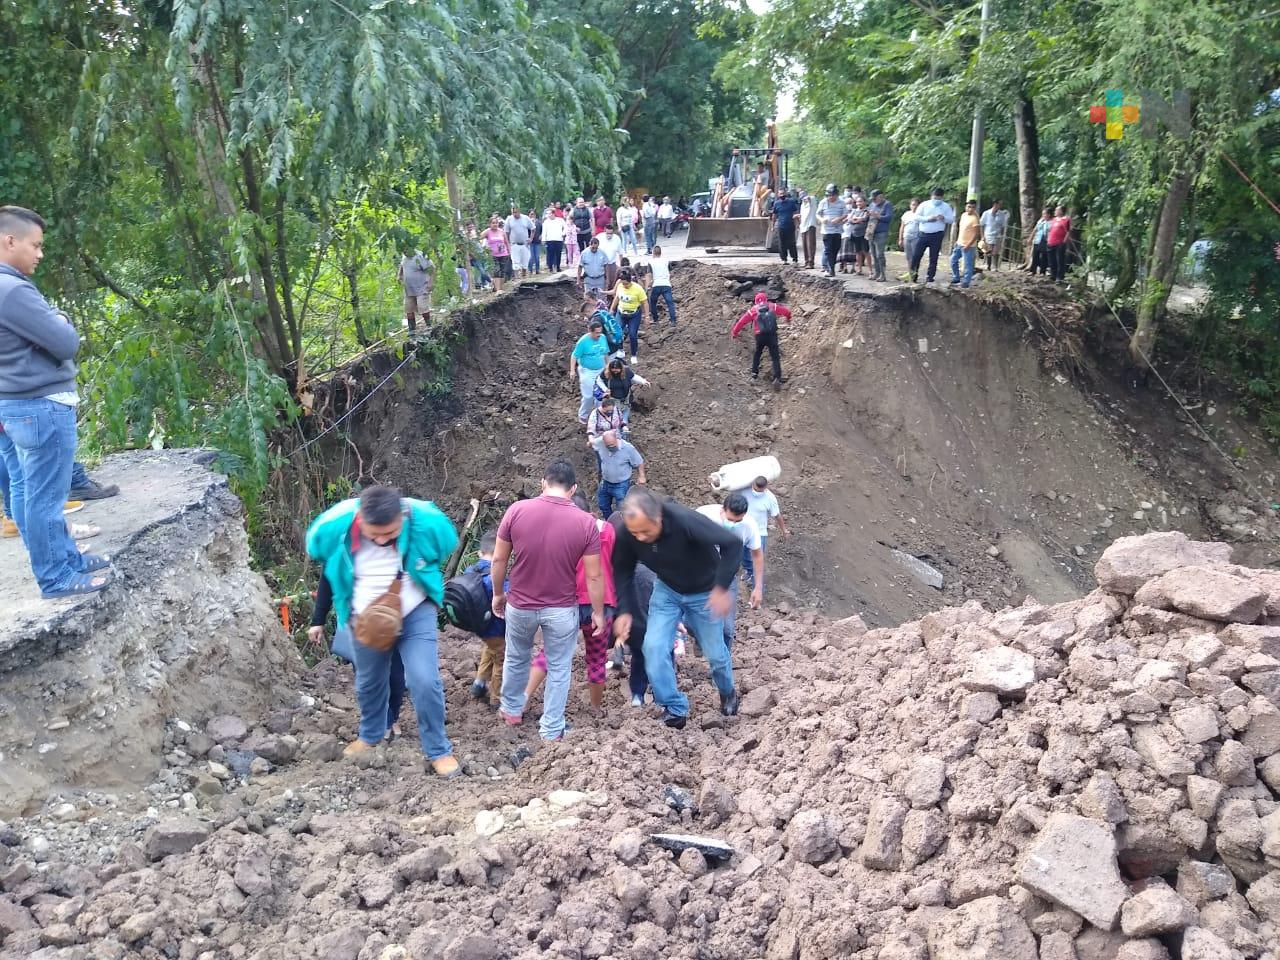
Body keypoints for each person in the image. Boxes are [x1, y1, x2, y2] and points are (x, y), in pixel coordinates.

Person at [305, 484, 461, 777]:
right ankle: (370, 735)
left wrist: (421, 564)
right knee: (369, 682)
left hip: (415, 612)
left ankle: (438, 750)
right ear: (360, 520)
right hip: (364, 618)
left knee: (424, 680)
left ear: (401, 518)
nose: (381, 539)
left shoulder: (422, 524)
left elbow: (445, 544)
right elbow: (319, 555)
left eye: (390, 534)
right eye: (374, 534)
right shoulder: (338, 530)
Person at [0, 206, 111, 598]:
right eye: (35, 245)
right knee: (45, 497)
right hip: (40, 406)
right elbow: (65, 342)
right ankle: (56, 577)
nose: (40, 254)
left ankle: (67, 561)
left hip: (18, 405)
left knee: (29, 490)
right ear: (9, 240)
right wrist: (60, 318)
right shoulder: (12, 290)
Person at [489, 459, 605, 742]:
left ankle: (512, 710)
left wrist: (497, 593)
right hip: (561, 608)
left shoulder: (517, 510)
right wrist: (599, 612)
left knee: (516, 657)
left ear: (543, 482)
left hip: (520, 604)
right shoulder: (586, 522)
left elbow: (499, 558)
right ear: (573, 488)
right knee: (558, 667)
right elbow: (593, 577)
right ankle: (551, 729)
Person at [611, 488, 743, 728]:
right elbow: (622, 570)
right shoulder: (628, 532)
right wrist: (625, 610)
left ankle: (728, 692)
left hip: (704, 592)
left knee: (715, 654)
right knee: (653, 648)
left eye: (645, 531)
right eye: (634, 532)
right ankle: (674, 708)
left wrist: (722, 587)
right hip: (667, 591)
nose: (639, 538)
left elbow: (733, 544)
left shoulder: (685, 521)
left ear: (658, 517)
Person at [309, 569, 408, 738]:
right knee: (369, 675)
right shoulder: (342, 545)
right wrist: (318, 620)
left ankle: (392, 716)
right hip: (357, 617)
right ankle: (385, 720)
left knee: (397, 677)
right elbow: (329, 575)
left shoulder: (397, 544)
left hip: (392, 615)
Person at [697, 493, 764, 650]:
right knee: (692, 620)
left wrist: (758, 587)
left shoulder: (749, 526)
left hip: (727, 577)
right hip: (700, 575)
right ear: (723, 510)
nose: (733, 524)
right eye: (730, 519)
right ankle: (700, 640)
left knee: (727, 629)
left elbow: (757, 555)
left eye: (737, 520)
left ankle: (723, 665)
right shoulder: (703, 515)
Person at [464, 531, 507, 706]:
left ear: (480, 553)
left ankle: (479, 683)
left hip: (478, 625)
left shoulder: (470, 570)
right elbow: (507, 596)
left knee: (490, 648)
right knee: (501, 660)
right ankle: (496, 699)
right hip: (496, 626)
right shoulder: (497, 576)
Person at [732, 291, 792, 385]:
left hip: (760, 336)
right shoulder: (772, 306)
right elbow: (786, 312)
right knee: (775, 357)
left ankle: (754, 374)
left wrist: (734, 333)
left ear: (756, 301)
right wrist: (788, 318)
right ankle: (777, 377)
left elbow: (741, 322)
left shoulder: (753, 310)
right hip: (772, 335)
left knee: (757, 354)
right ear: (766, 299)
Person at [742, 475, 788, 586]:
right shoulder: (745, 491)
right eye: (755, 489)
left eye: (759, 491)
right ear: (753, 484)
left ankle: (757, 587)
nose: (756, 492)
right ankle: (749, 571)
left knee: (757, 559)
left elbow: (777, 515)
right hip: (743, 529)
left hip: (759, 532)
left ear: (765, 487)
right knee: (743, 556)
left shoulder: (770, 498)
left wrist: (784, 530)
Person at [592, 429, 646, 517]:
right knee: (603, 505)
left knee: (622, 510)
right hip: (605, 482)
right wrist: (590, 441)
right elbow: (591, 443)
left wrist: (642, 476)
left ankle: (620, 527)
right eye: (608, 446)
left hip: (621, 485)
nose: (610, 447)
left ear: (617, 439)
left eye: (612, 445)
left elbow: (639, 462)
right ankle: (609, 523)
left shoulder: (628, 448)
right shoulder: (600, 443)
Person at [910, 187, 956, 283]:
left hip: (937, 235)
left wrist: (943, 218)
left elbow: (951, 219)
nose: (936, 200)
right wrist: (927, 219)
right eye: (935, 198)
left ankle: (930, 277)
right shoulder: (924, 205)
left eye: (939, 198)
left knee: (933, 257)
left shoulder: (946, 207)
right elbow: (916, 217)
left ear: (942, 198)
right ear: (931, 196)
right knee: (916, 256)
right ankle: (913, 275)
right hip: (923, 234)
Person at [570, 319, 611, 422]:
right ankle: (583, 415)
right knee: (588, 396)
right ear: (590, 331)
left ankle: (599, 416)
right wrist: (572, 370)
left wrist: (608, 366)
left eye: (600, 332)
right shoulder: (583, 342)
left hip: (600, 370)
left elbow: (605, 353)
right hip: (587, 371)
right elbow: (574, 356)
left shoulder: (602, 338)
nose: (599, 335)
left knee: (601, 395)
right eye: (596, 333)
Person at [593, 356, 650, 425]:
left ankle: (623, 432)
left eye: (617, 369)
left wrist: (643, 381)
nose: (615, 371)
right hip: (613, 400)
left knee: (624, 421)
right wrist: (605, 389)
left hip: (626, 400)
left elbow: (634, 377)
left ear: (621, 368)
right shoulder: (606, 372)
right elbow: (599, 380)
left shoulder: (627, 371)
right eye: (613, 369)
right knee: (615, 420)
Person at [609, 268, 648, 365]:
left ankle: (634, 355)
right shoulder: (620, 286)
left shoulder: (638, 289)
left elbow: (645, 302)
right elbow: (617, 298)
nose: (625, 286)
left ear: (630, 281)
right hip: (621, 313)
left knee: (632, 335)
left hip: (634, 314)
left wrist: (647, 316)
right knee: (617, 332)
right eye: (623, 284)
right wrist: (612, 309)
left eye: (626, 284)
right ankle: (620, 350)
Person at [397, 250, 435, 333]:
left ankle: (429, 325)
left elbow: (431, 268)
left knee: (423, 307)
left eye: (406, 250)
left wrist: (430, 283)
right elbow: (402, 265)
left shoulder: (420, 256)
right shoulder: (404, 256)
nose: (405, 252)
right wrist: (399, 275)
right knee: (408, 309)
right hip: (408, 289)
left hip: (421, 287)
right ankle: (412, 330)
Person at [950, 199, 981, 289]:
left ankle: (966, 282)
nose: (970, 209)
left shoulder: (975, 219)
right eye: (969, 206)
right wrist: (957, 240)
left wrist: (969, 244)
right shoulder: (963, 215)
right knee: (953, 260)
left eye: (973, 207)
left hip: (969, 245)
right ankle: (956, 277)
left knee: (968, 264)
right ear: (966, 207)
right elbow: (962, 230)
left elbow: (976, 234)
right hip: (960, 243)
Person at [643, 244, 677, 327]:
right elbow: (671, 272)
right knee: (670, 303)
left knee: (653, 302)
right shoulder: (666, 261)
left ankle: (656, 320)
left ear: (653, 253)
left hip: (656, 285)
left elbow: (649, 275)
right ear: (660, 253)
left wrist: (646, 288)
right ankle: (673, 321)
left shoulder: (651, 262)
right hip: (666, 284)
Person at [817, 184, 846, 277]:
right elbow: (817, 214)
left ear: (836, 195)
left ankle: (831, 267)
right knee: (828, 249)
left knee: (835, 249)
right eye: (829, 195)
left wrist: (839, 219)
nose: (831, 197)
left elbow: (846, 214)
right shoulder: (823, 202)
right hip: (826, 230)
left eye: (832, 195)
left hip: (837, 230)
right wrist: (822, 220)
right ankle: (831, 270)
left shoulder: (841, 202)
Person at [867, 191, 894, 282]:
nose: (873, 201)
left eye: (875, 199)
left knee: (879, 254)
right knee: (873, 253)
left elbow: (889, 218)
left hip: (881, 232)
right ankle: (876, 273)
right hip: (871, 231)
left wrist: (878, 216)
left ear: (880, 197)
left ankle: (883, 274)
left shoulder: (887, 204)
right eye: (872, 199)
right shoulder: (872, 204)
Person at [840, 197, 869, 274]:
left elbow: (864, 218)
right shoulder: (854, 211)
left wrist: (856, 219)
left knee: (866, 252)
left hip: (864, 234)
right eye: (857, 202)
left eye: (860, 201)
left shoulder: (867, 210)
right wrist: (856, 220)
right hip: (855, 234)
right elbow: (849, 220)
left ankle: (871, 271)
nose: (858, 203)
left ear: (865, 202)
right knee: (858, 252)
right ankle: (859, 269)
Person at [504, 205, 534, 278]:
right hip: (514, 244)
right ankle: (517, 277)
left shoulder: (525, 218)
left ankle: (524, 276)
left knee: (525, 262)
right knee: (515, 262)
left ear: (519, 211)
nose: (514, 214)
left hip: (524, 244)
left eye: (516, 212)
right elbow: (506, 232)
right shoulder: (509, 219)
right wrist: (508, 243)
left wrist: (531, 238)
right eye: (513, 212)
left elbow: (533, 228)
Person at [772, 188, 801, 265]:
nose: (782, 195)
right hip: (781, 226)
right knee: (782, 243)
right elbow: (774, 215)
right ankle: (784, 259)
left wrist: (798, 224)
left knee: (792, 243)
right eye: (780, 194)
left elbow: (795, 213)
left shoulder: (791, 202)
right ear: (778, 195)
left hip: (790, 225)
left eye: (783, 193)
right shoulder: (776, 204)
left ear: (786, 193)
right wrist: (772, 226)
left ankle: (795, 259)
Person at [482, 217, 511, 292]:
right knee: (496, 271)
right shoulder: (488, 232)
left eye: (496, 223)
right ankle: (498, 290)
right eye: (493, 223)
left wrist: (509, 251)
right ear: (490, 224)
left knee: (503, 271)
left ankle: (499, 288)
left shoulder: (501, 231)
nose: (495, 224)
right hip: (493, 255)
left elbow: (506, 242)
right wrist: (485, 249)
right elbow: (479, 237)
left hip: (503, 254)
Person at [577, 236, 608, 305]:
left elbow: (606, 265)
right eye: (593, 248)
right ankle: (589, 313)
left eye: (596, 248)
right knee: (588, 297)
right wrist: (578, 280)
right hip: (589, 279)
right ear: (589, 244)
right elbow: (580, 267)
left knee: (601, 297)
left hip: (600, 278)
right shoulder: (584, 253)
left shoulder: (602, 253)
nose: (594, 249)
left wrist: (607, 278)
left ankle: (601, 312)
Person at [980, 199, 1009, 272]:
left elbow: (1003, 226)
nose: (1000, 206)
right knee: (988, 251)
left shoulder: (1001, 214)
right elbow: (982, 225)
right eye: (999, 204)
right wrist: (982, 236)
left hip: (997, 235)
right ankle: (988, 265)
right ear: (995, 204)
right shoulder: (986, 213)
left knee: (996, 252)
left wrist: (1002, 235)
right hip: (988, 234)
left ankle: (995, 266)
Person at [1047, 205, 1072, 283]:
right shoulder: (1054, 220)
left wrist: (1064, 241)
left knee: (1060, 260)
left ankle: (1059, 277)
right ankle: (1053, 275)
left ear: (1061, 211)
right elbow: (1050, 230)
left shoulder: (1066, 220)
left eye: (1057, 210)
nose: (1055, 211)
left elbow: (1068, 231)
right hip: (1051, 242)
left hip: (1060, 243)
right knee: (1052, 260)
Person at [898, 198, 921, 277]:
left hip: (916, 237)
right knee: (908, 257)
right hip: (906, 237)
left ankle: (915, 273)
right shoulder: (906, 214)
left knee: (916, 256)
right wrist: (900, 238)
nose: (914, 206)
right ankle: (910, 273)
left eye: (916, 205)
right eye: (912, 204)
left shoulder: (921, 215)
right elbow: (902, 226)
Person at [597, 225, 623, 293]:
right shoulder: (599, 237)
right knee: (602, 282)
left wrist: (621, 266)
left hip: (611, 264)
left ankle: (610, 298)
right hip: (600, 264)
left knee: (612, 282)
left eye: (611, 233)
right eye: (607, 233)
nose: (609, 235)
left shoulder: (617, 239)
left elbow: (620, 253)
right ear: (604, 231)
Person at [1030, 206, 1053, 275]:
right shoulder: (1040, 221)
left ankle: (1042, 271)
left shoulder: (1051, 222)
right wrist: (1031, 238)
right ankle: (1032, 270)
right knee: (1035, 255)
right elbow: (1035, 229)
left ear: (1048, 215)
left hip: (1045, 240)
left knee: (1044, 256)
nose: (1043, 215)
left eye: (1044, 214)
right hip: (1038, 239)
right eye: (1043, 214)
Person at [798, 190, 818, 269]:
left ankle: (811, 262)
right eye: (801, 196)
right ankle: (806, 261)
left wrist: (808, 198)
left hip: (810, 225)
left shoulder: (812, 202)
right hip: (803, 226)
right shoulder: (802, 205)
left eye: (803, 195)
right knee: (805, 245)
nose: (803, 197)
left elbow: (811, 198)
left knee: (810, 245)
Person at [542, 208, 566, 274]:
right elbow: (544, 231)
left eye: (549, 213)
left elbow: (565, 227)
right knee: (550, 254)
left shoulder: (560, 220)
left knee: (558, 254)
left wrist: (563, 234)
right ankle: (550, 268)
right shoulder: (546, 222)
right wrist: (543, 240)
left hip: (558, 239)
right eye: (547, 214)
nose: (548, 215)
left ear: (553, 213)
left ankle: (558, 267)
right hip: (549, 240)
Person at [527, 208, 544, 274]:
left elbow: (542, 230)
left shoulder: (538, 222)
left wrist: (541, 235)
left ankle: (537, 269)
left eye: (533, 214)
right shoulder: (527, 223)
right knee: (531, 257)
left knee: (537, 257)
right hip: (530, 243)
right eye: (531, 214)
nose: (532, 215)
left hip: (537, 242)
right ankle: (530, 270)